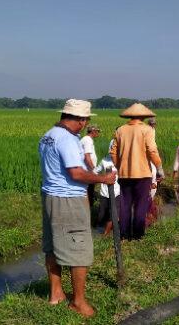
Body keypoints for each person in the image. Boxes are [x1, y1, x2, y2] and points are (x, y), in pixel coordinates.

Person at [38, 99, 116, 316]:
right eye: (86, 120)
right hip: (68, 199)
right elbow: (76, 173)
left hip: (50, 196)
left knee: (53, 245)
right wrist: (103, 179)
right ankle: (78, 302)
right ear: (81, 120)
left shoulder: (48, 135)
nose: (85, 124)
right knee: (79, 249)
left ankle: (56, 294)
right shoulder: (68, 140)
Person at [110, 103, 164, 240]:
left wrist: (119, 166)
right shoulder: (147, 130)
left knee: (125, 204)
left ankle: (124, 234)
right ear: (143, 116)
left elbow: (113, 152)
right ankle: (138, 235)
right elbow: (152, 150)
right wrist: (159, 168)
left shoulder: (120, 130)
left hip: (124, 174)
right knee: (141, 204)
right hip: (143, 174)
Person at [94, 139, 120, 236]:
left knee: (114, 213)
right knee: (102, 214)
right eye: (113, 147)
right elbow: (95, 172)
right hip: (104, 192)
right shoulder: (105, 160)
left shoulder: (122, 160)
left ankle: (107, 234)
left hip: (117, 192)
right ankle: (99, 231)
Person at [80, 124, 101, 204]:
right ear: (93, 131)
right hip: (87, 170)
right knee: (88, 190)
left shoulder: (87, 139)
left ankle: (89, 205)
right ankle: (88, 207)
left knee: (89, 189)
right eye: (98, 131)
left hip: (87, 169)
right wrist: (93, 170)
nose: (98, 133)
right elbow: (87, 156)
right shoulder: (87, 140)